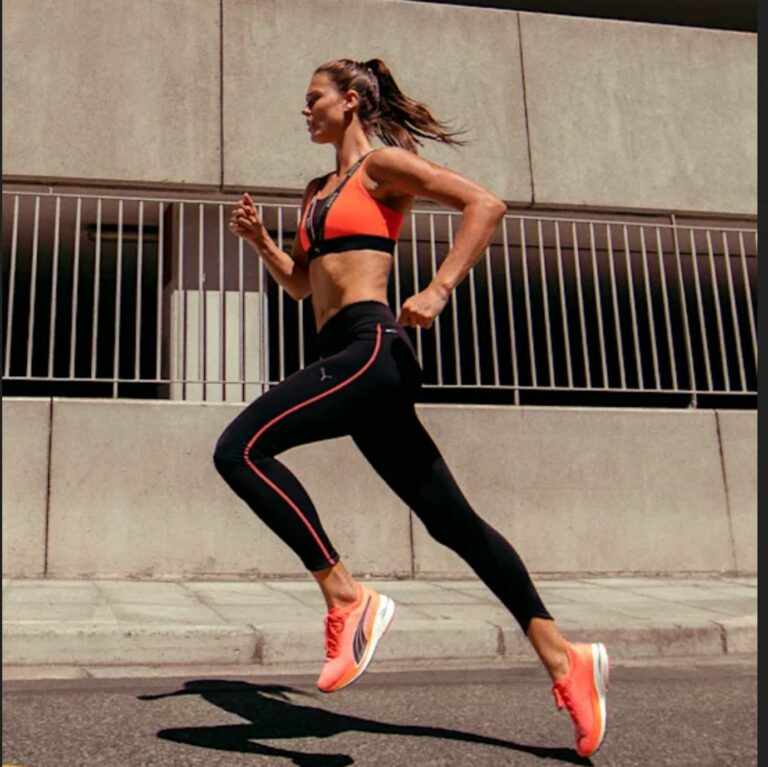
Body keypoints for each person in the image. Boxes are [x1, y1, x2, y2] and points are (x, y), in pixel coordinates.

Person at [217, 57, 608, 758]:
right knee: (453, 523)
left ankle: (347, 596)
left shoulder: (382, 168)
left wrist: (439, 288)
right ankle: (564, 657)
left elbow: (485, 204)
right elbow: (303, 286)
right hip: (344, 353)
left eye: (313, 98)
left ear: (350, 100)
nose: (304, 110)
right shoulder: (314, 192)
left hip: (372, 349)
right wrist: (263, 243)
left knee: (240, 449)